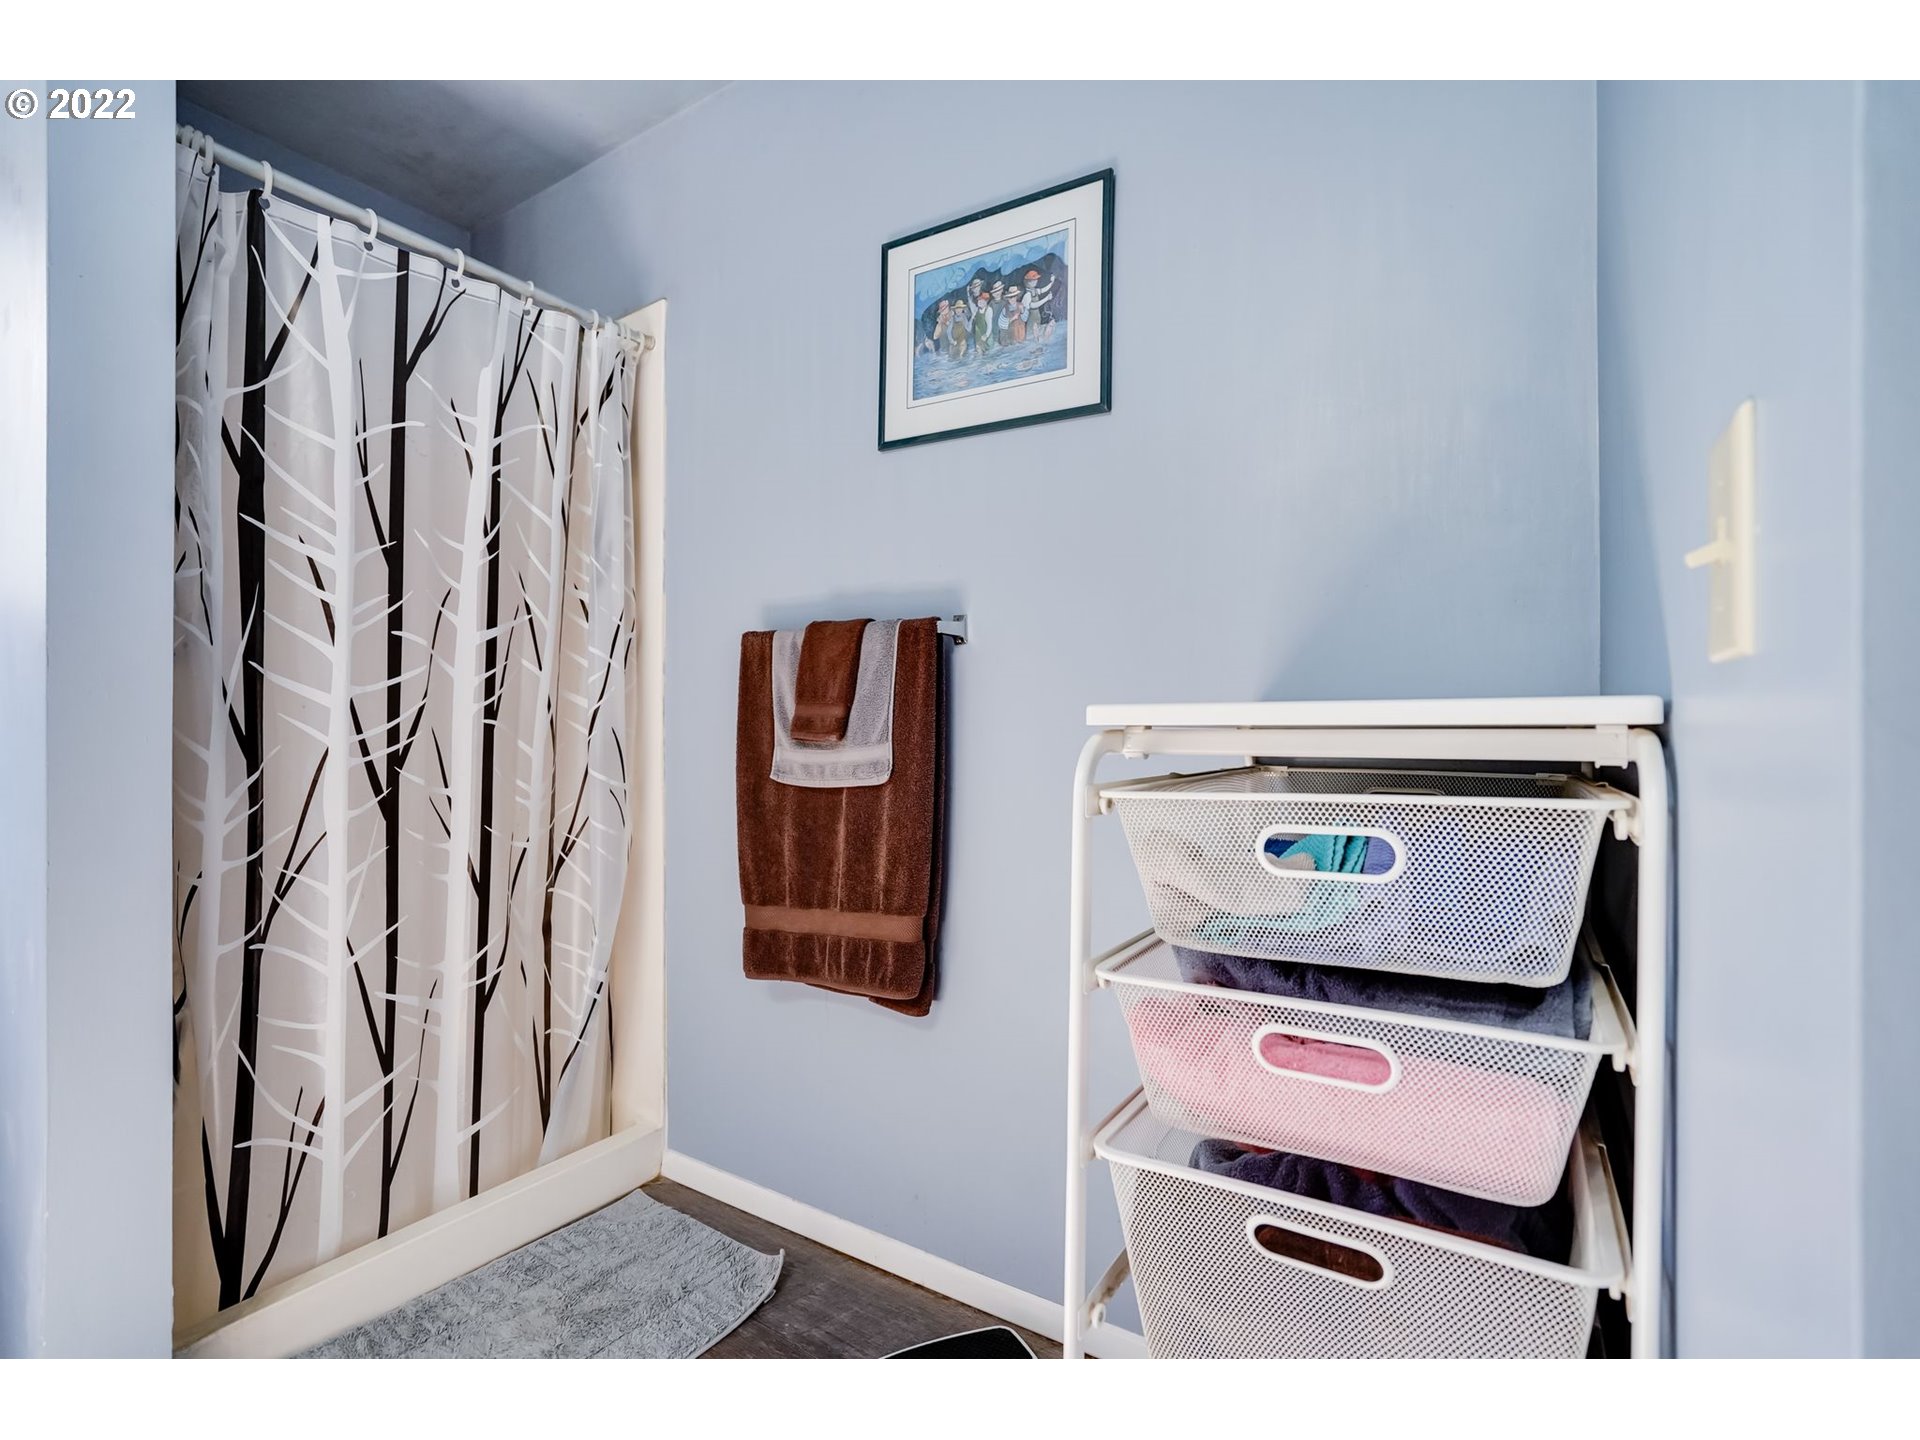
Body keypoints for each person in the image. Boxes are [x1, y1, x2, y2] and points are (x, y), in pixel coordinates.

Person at [1022, 268, 1056, 340]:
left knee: (1037, 334)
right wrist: (1046, 299)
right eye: (1034, 280)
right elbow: (1033, 305)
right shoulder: (1027, 295)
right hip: (1031, 318)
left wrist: (1052, 282)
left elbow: (1044, 289)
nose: (1036, 281)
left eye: (1036, 280)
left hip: (1037, 316)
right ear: (1028, 282)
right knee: (1031, 336)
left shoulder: (1034, 290)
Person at [971, 285, 995, 356]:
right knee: (979, 353)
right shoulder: (976, 310)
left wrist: (986, 335)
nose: (980, 302)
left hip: (986, 336)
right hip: (978, 335)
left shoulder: (989, 310)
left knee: (989, 353)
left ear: (986, 301)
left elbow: (989, 325)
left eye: (982, 300)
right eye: (979, 300)